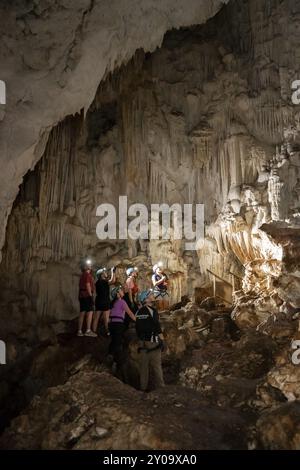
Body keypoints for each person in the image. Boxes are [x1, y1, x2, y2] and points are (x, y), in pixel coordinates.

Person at [135, 290, 165, 391]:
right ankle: (162, 390)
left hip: (141, 344)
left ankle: (142, 391)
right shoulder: (153, 311)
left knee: (144, 370)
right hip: (152, 343)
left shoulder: (138, 312)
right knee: (157, 368)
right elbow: (157, 327)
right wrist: (162, 341)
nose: (153, 296)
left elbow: (137, 327)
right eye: (150, 295)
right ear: (146, 299)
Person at [108, 285, 136, 378]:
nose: (122, 290)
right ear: (117, 294)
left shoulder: (113, 303)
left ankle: (110, 355)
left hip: (112, 324)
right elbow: (130, 313)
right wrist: (138, 321)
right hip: (118, 324)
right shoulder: (122, 301)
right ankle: (116, 363)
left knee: (114, 340)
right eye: (120, 290)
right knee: (118, 342)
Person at [92, 266, 116, 336]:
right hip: (105, 301)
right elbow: (113, 281)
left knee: (96, 317)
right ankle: (107, 331)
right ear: (101, 274)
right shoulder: (104, 282)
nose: (106, 273)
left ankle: (94, 331)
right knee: (106, 318)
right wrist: (112, 272)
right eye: (104, 272)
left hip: (99, 301)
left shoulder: (97, 283)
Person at [77, 259, 97, 337]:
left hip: (82, 296)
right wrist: (91, 296)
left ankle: (79, 331)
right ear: (85, 267)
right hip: (87, 295)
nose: (90, 266)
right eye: (88, 265)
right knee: (90, 312)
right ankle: (88, 330)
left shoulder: (83, 275)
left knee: (82, 313)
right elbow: (88, 285)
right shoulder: (87, 275)